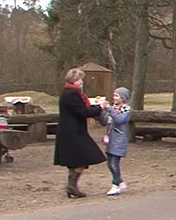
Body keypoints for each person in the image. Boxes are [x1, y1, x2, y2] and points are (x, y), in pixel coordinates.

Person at [54, 68, 106, 197]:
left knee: (77, 159)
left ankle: (72, 186)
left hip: (72, 131)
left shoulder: (69, 93)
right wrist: (100, 108)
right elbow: (83, 112)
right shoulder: (71, 94)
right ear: (75, 80)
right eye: (80, 79)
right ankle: (72, 185)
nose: (81, 82)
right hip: (73, 132)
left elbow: (81, 109)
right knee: (84, 156)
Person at [99, 87, 131, 195]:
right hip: (110, 139)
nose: (114, 97)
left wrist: (110, 110)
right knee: (109, 163)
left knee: (114, 163)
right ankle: (120, 182)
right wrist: (100, 111)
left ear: (123, 98)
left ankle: (115, 185)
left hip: (119, 139)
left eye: (117, 96)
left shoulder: (126, 109)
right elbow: (104, 122)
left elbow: (120, 120)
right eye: (114, 95)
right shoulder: (112, 108)